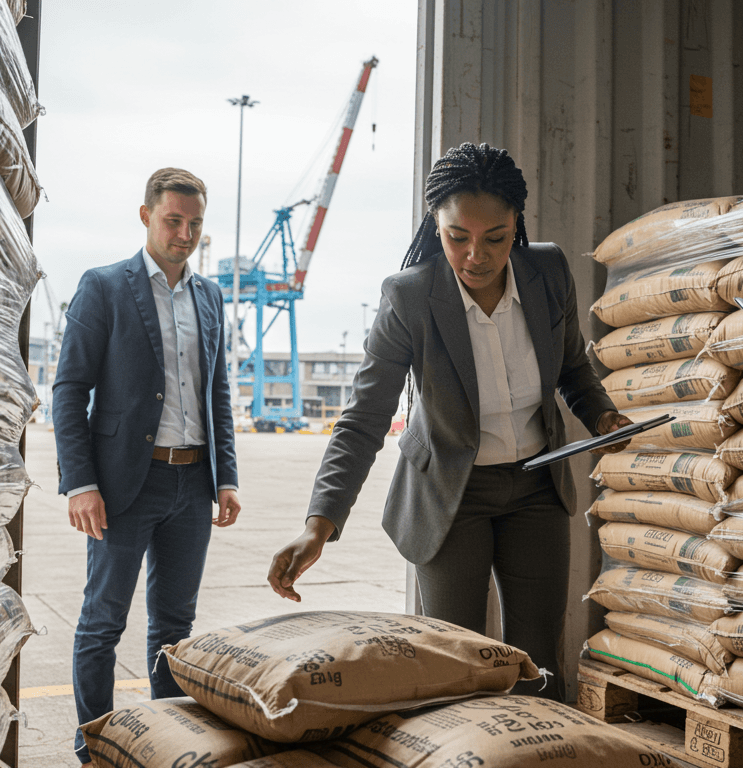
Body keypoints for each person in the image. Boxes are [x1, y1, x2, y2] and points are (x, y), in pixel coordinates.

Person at [267, 142, 631, 700]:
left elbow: (573, 369)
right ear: (435, 225)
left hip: (536, 487)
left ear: (518, 226)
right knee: (455, 659)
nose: (475, 256)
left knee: (541, 661)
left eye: (496, 238)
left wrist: (603, 416)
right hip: (450, 493)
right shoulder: (410, 297)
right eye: (456, 236)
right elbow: (365, 416)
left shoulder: (548, 272)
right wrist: (320, 523)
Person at [52, 168, 242, 766]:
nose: (184, 234)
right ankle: (95, 741)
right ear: (146, 217)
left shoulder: (209, 296)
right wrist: (80, 482)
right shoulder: (104, 286)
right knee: (103, 619)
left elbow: (217, 392)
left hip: (192, 483)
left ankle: (164, 741)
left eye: (194, 225)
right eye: (173, 221)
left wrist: (226, 475)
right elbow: (68, 389)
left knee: (174, 627)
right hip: (121, 484)